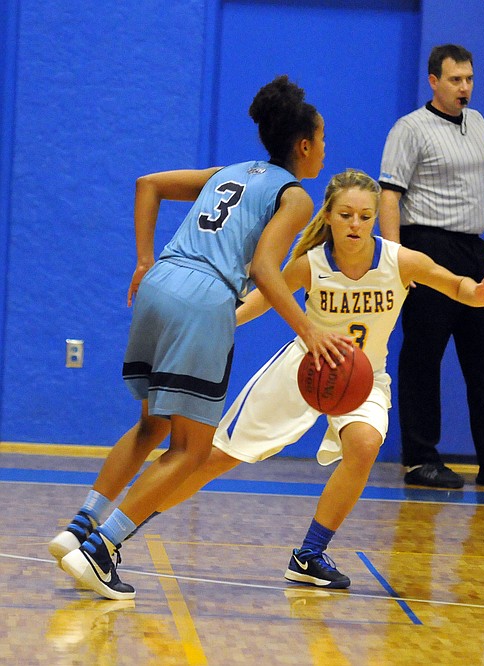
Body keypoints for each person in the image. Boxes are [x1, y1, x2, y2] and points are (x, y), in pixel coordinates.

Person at [130, 169, 484, 589]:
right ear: (329, 216)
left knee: (365, 444)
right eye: (347, 214)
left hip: (362, 378)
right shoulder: (310, 264)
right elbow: (260, 302)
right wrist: (215, 323)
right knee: (216, 459)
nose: (356, 224)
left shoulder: (401, 261)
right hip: (303, 370)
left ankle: (309, 554)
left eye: (366, 217)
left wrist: (480, 293)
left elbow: (457, 286)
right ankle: (118, 532)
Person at [48, 76, 348, 600]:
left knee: (151, 427)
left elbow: (149, 184)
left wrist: (144, 260)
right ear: (303, 145)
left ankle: (78, 528)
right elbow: (263, 268)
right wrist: (309, 330)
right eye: (322, 139)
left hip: (161, 282)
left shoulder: (228, 172)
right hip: (204, 297)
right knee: (192, 450)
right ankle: (100, 550)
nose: (325, 148)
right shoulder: (294, 196)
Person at [378, 43, 484, 490]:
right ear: (434, 81)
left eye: (469, 79)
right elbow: (389, 194)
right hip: (426, 246)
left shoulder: (480, 124)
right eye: (455, 80)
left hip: (474, 252)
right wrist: (395, 259)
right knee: (424, 354)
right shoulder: (409, 129)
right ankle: (420, 458)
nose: (464, 88)